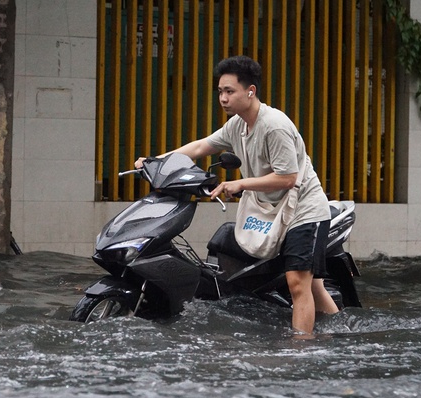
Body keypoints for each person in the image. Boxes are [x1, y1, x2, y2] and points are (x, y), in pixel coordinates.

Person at [135, 55, 338, 336]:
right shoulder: (237, 125)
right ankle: (339, 332)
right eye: (220, 91)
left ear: (250, 92)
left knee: (297, 283)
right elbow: (201, 147)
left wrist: (240, 185)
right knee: (312, 285)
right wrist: (155, 161)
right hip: (273, 208)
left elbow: (288, 177)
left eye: (229, 91)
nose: (223, 98)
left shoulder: (274, 125)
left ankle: (299, 350)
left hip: (304, 210)